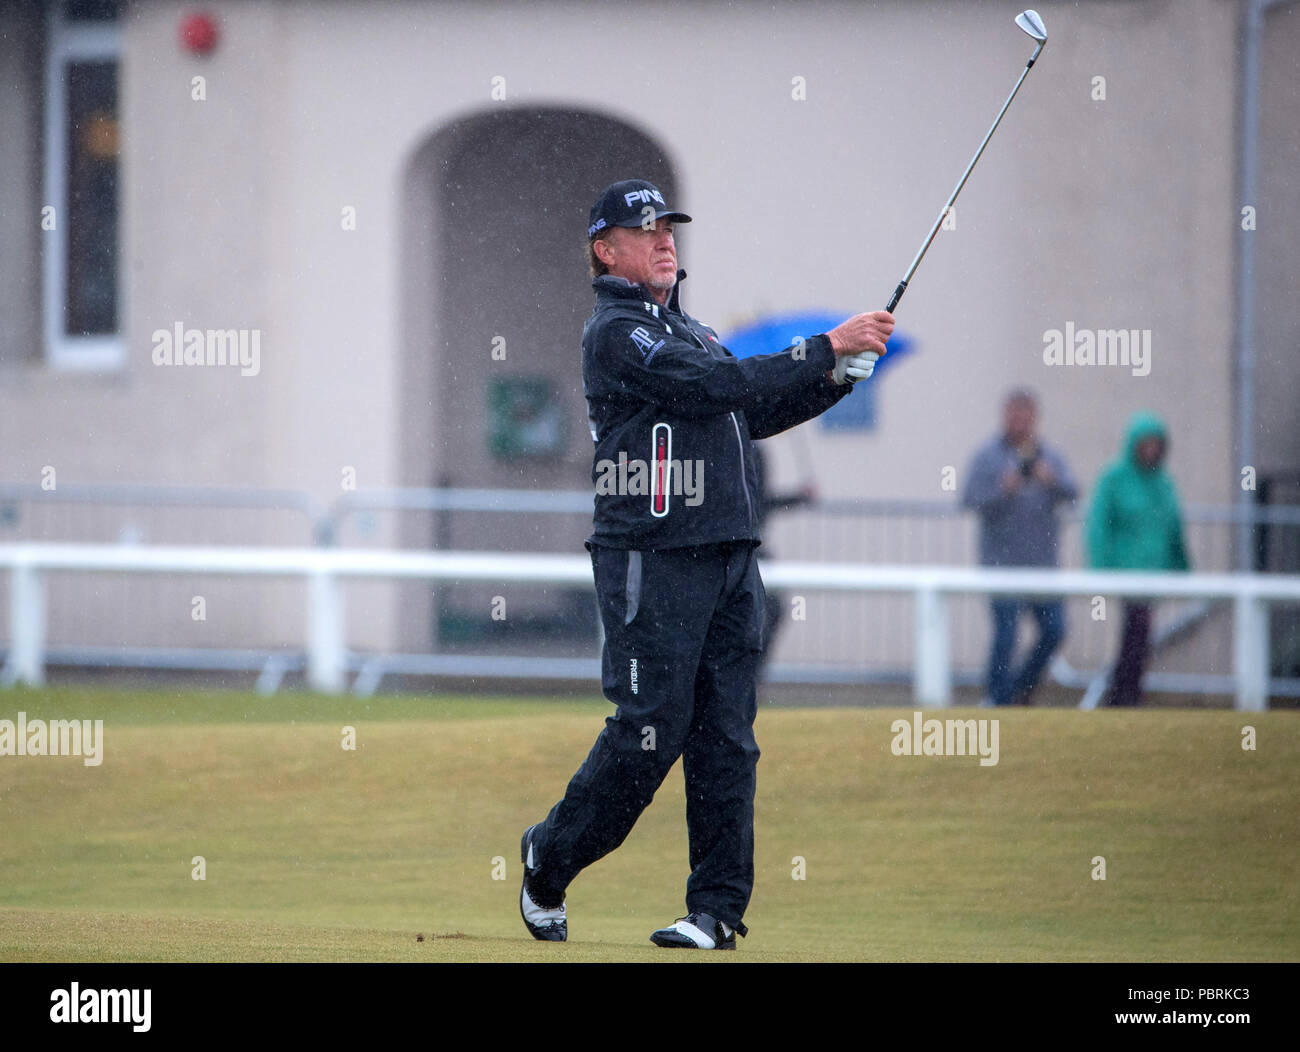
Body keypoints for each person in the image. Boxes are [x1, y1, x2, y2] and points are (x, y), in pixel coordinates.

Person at [519, 178, 892, 949]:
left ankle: (715, 913)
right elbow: (716, 385)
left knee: (727, 737)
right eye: (644, 228)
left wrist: (831, 381)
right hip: (650, 561)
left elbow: (749, 410)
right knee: (649, 731)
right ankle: (549, 857)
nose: (664, 240)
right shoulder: (618, 334)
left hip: (727, 556)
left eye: (669, 228)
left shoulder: (690, 332)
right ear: (605, 249)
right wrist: (825, 345)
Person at [962, 389, 1078, 706]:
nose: (1020, 422)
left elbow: (1073, 493)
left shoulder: (1050, 457)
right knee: (1005, 636)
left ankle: (1020, 691)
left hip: (1043, 565)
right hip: (1001, 564)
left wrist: (1049, 480)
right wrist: (1004, 489)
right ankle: (998, 699)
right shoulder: (988, 456)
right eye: (1014, 415)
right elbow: (969, 499)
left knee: (1054, 630)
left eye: (1025, 416)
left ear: (1035, 418)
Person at [1086, 411, 1190, 707]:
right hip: (1126, 570)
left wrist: (1181, 565)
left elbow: (1173, 527)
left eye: (1155, 444)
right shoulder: (1115, 478)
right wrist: (1100, 565)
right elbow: (1099, 523)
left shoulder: (1163, 482)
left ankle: (1125, 692)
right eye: (1145, 443)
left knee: (1138, 633)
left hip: (1154, 571)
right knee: (1137, 629)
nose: (1150, 450)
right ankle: (1125, 692)